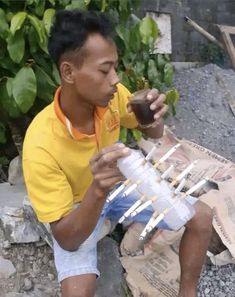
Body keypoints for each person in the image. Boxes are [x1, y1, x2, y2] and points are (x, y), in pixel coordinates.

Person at [23, 9, 213, 297]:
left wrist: (153, 118)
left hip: (118, 186)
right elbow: (67, 238)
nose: (115, 79)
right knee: (77, 291)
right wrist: (97, 189)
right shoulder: (40, 145)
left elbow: (151, 131)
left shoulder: (112, 97)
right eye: (104, 70)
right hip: (77, 207)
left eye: (115, 68)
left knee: (201, 215)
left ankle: (188, 292)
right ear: (68, 72)